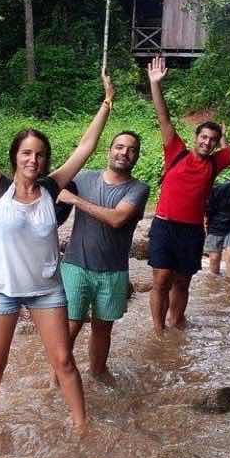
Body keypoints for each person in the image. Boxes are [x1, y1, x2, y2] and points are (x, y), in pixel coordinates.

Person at [0, 51, 113, 442]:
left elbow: (86, 148)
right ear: (15, 156)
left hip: (46, 290)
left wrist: (106, 105)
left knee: (63, 360)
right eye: (26, 152)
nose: (34, 159)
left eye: (40, 154)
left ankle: (82, 427)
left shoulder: (51, 188)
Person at [146, 56, 230, 331]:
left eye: (212, 139)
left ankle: (177, 323)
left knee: (183, 281)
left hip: (192, 230)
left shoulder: (216, 162)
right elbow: (163, 117)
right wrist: (155, 85)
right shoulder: (175, 151)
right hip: (164, 225)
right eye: (203, 137)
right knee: (161, 279)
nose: (207, 142)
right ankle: (158, 331)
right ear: (196, 137)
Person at [55, 131, 150, 385]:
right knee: (70, 328)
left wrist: (74, 199)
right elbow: (50, 191)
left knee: (102, 328)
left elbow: (117, 219)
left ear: (137, 156)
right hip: (75, 266)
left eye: (131, 149)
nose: (124, 153)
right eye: (119, 147)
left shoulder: (139, 189)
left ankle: (97, 372)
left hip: (113, 271)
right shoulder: (83, 178)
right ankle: (57, 379)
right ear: (109, 150)